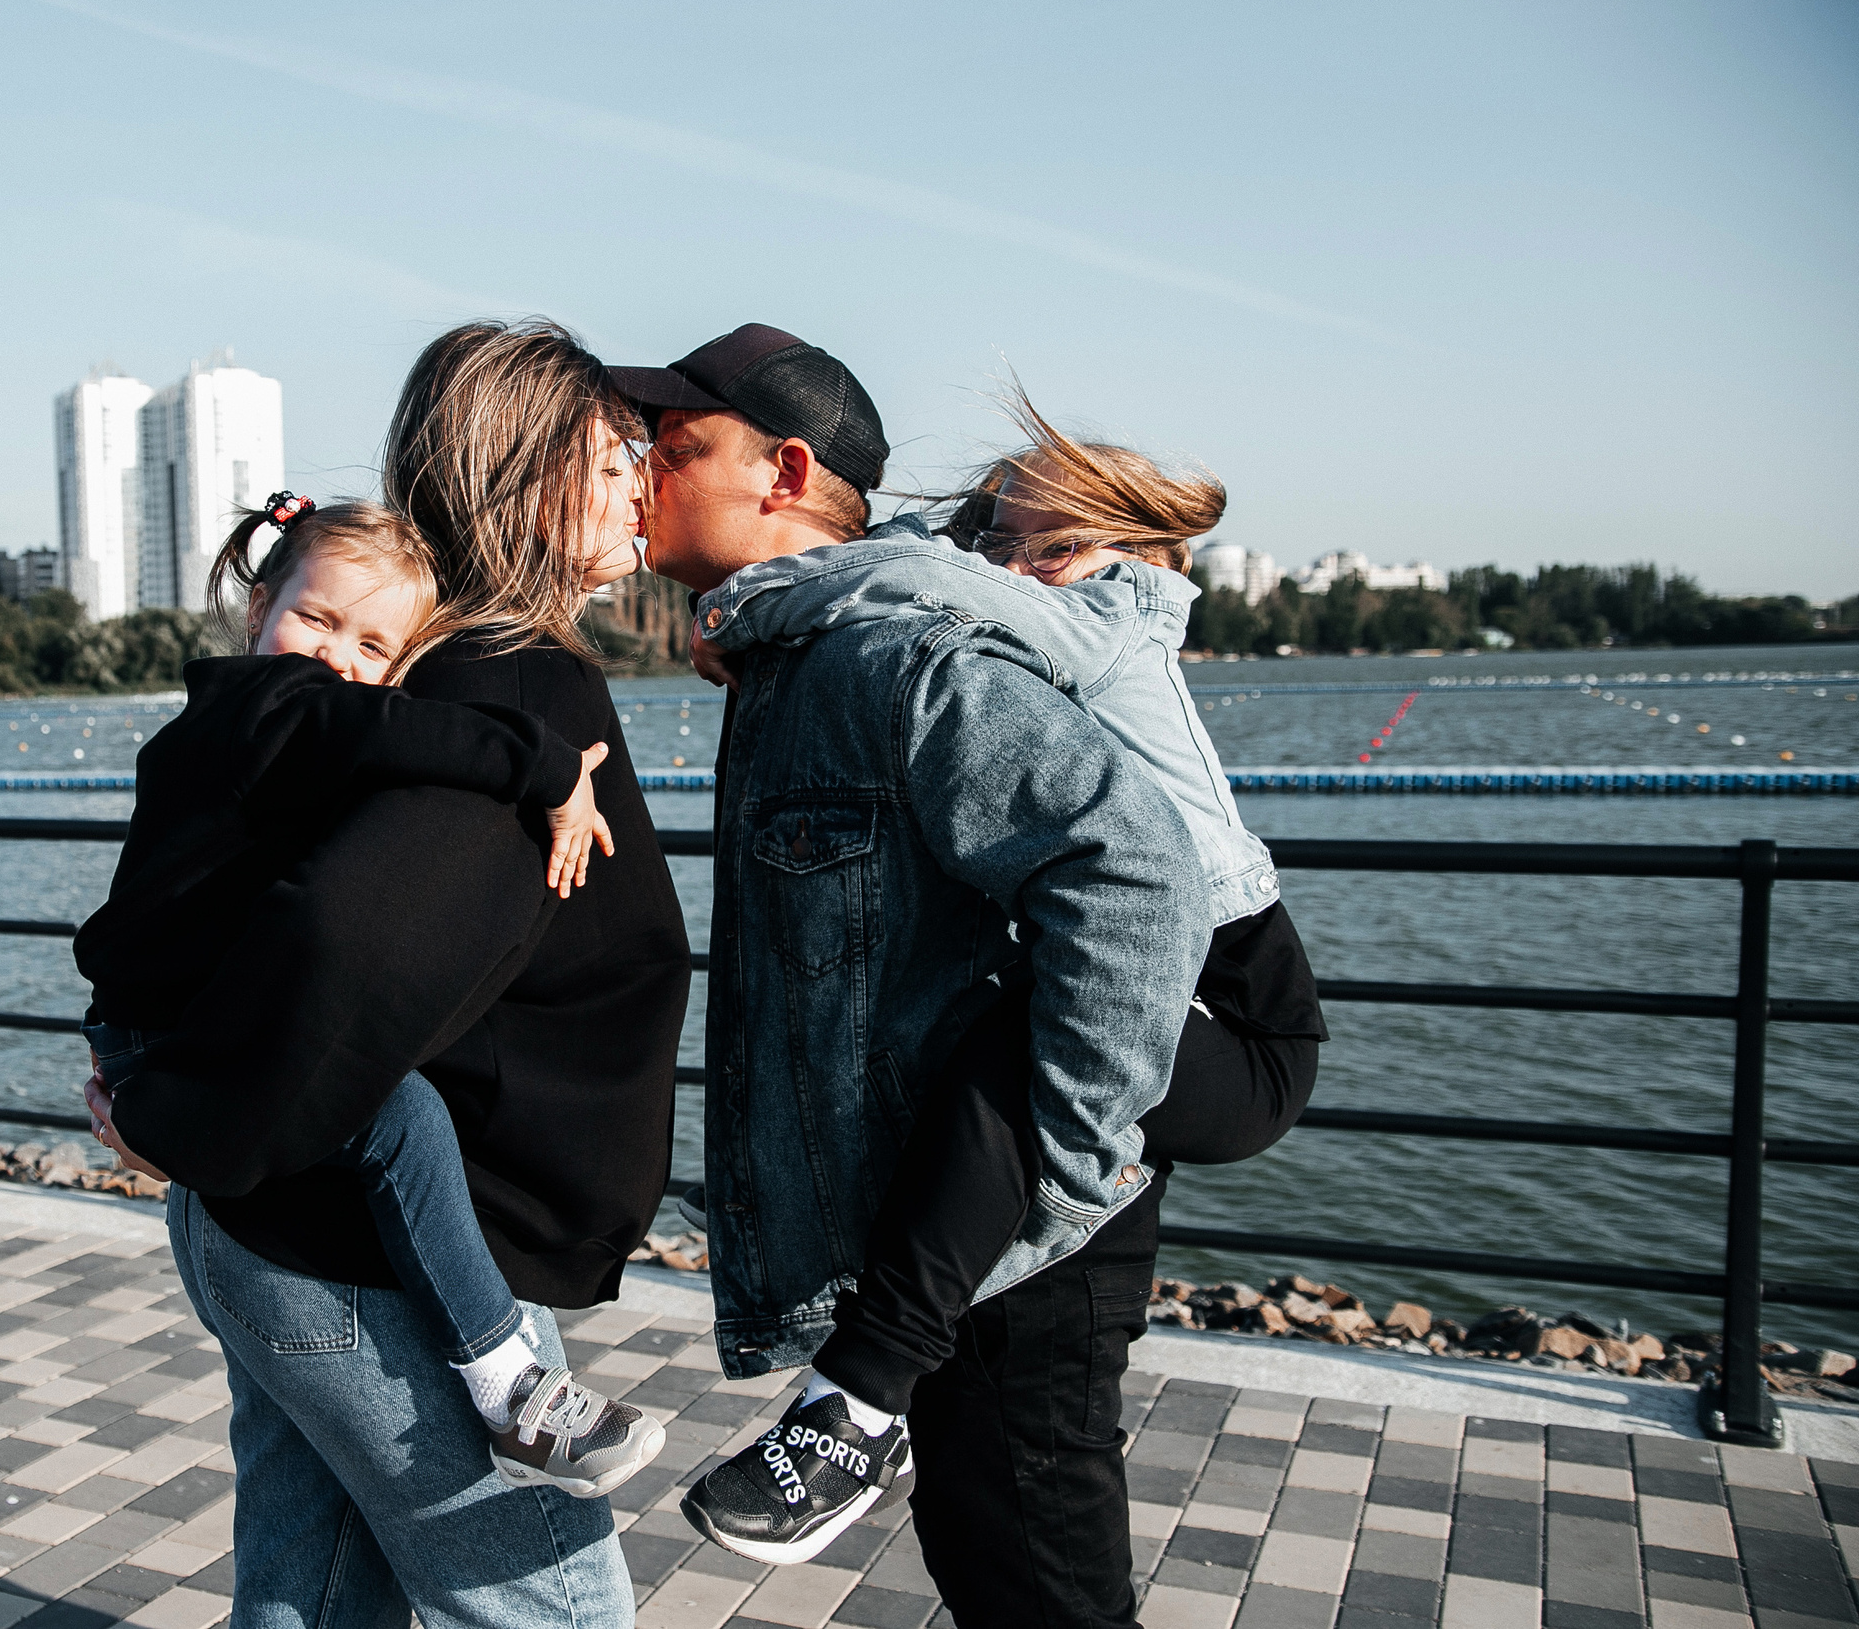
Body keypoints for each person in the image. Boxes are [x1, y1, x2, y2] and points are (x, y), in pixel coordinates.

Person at [85, 319, 691, 1629]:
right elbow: (339, 952)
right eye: (613, 457)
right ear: (520, 473)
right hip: (357, 1259)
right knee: (561, 1613)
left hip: (306, 1229)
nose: (641, 481)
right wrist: (172, 1114)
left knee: (314, 1600)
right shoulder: (509, 688)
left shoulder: (465, 678)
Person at [675, 381, 1329, 1579]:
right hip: (1163, 985)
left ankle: (860, 1398)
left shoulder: (1121, 608)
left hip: (1242, 1020)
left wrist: (779, 588)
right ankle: (870, 1396)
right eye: (994, 532)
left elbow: (938, 594)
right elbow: (927, 565)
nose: (1007, 563)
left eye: (1036, 539)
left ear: (1111, 543)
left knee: (1018, 1027)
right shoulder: (1028, 589)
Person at [607, 323, 1206, 1625]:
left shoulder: (891, 657)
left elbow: (1139, 873)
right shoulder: (798, 651)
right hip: (951, 1231)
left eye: (674, 445)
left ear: (785, 470)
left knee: (1042, 1596)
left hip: (1016, 1242)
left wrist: (1064, 1158)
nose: (640, 471)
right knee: (997, 1573)